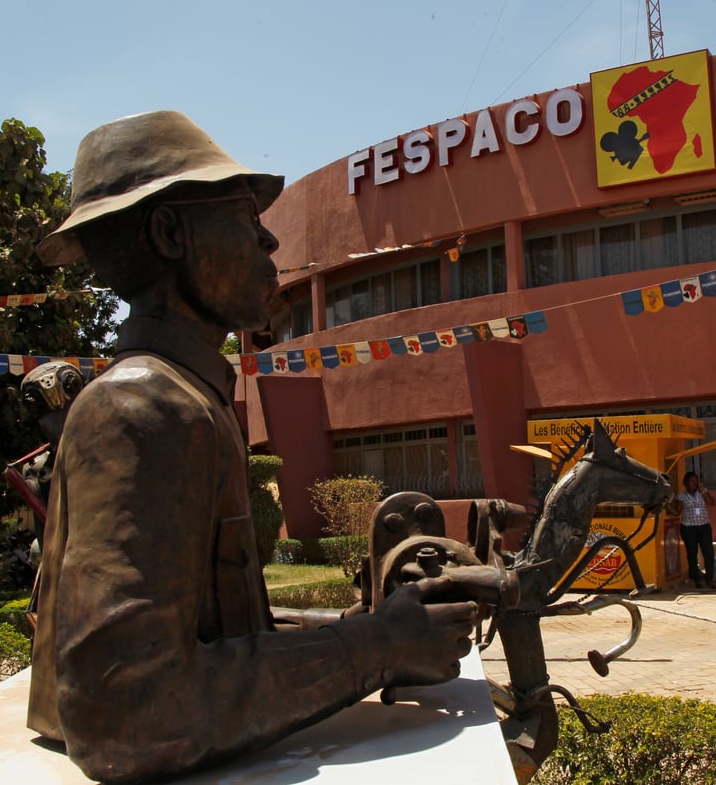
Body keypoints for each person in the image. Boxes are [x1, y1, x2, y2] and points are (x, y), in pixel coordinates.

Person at [27, 111, 476, 783]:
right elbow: (126, 716)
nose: (267, 236)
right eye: (242, 216)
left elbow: (210, 635)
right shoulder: (144, 406)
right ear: (170, 233)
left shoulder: (183, 397)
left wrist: (365, 628)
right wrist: (377, 646)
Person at [670, 471, 716, 589]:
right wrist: (666, 505)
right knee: (692, 553)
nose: (694, 483)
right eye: (692, 480)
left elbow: (712, 503)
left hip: (704, 526)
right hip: (688, 527)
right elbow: (677, 512)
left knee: (708, 552)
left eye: (696, 480)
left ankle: (709, 579)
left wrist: (703, 492)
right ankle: (697, 579)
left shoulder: (702, 492)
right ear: (686, 483)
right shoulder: (682, 496)